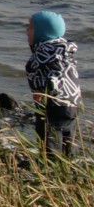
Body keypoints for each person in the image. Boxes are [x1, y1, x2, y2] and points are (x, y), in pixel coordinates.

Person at [25, 11, 80, 157]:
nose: (26, 31)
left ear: (42, 33)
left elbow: (31, 68)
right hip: (72, 100)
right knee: (68, 134)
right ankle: (70, 162)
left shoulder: (42, 52)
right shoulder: (65, 51)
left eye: (30, 28)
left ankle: (50, 165)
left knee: (49, 134)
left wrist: (36, 90)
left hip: (53, 102)